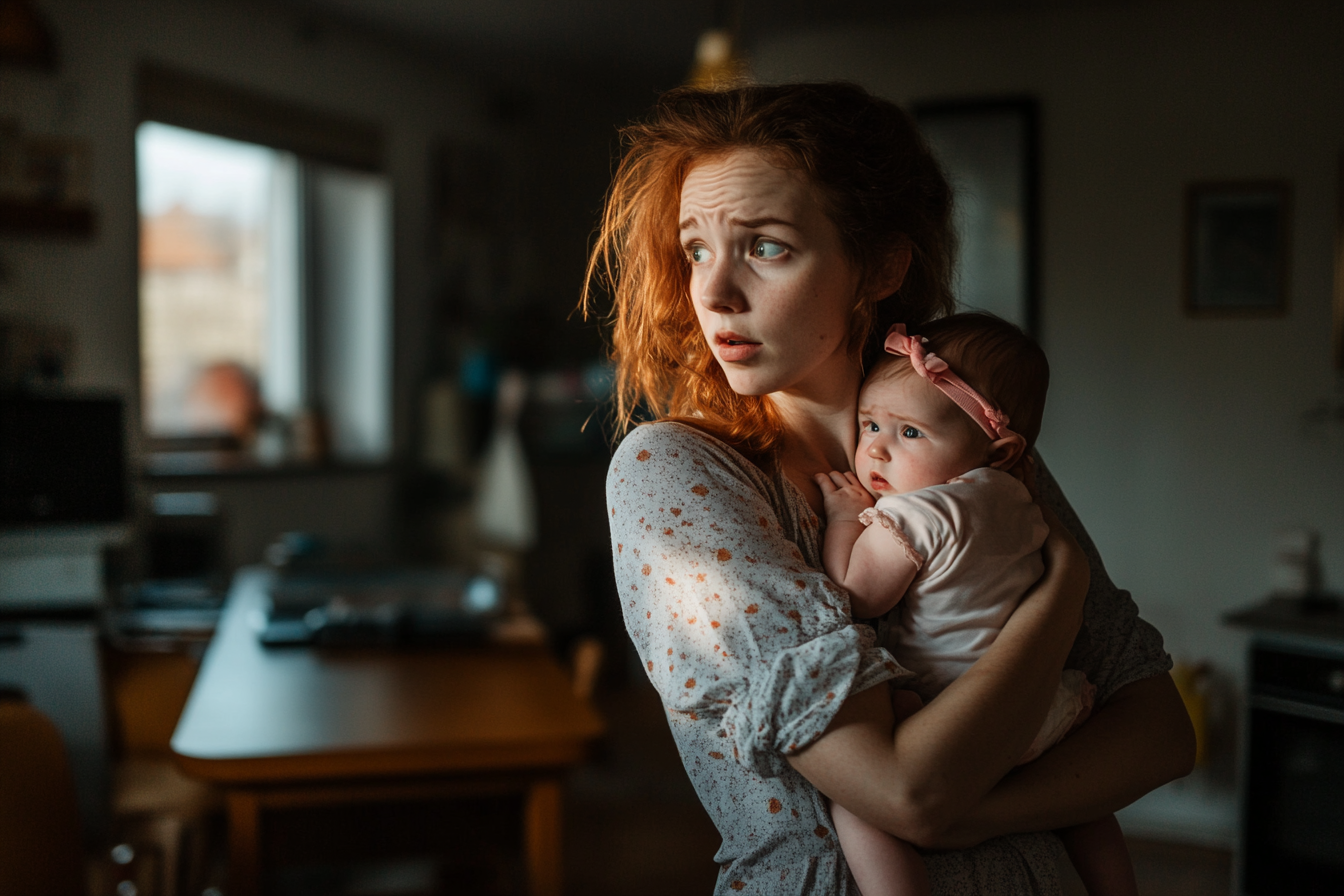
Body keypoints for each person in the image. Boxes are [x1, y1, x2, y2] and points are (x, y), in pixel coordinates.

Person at [587, 82, 1193, 895]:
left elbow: (1158, 731)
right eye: (696, 249)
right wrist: (1059, 598)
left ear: (879, 266)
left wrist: (971, 811)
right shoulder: (676, 474)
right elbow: (903, 792)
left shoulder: (966, 444)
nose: (715, 293)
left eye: (765, 246)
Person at [814, 313, 1136, 896]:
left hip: (949, 714)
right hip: (1038, 705)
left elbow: (854, 593)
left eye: (910, 433)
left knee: (858, 808)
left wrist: (843, 519)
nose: (878, 451)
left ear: (997, 448)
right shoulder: (1021, 500)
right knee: (1083, 809)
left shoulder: (916, 514)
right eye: (870, 425)